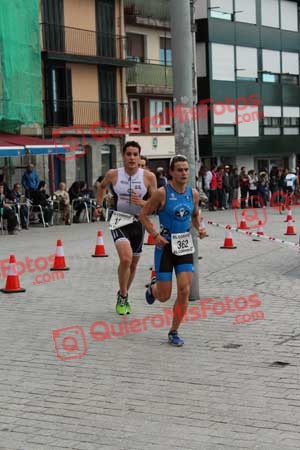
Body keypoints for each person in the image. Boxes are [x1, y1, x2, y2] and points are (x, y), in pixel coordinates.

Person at [139, 154, 206, 347]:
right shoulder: (162, 193)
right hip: (165, 245)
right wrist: (154, 235)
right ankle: (153, 289)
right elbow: (143, 214)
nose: (184, 173)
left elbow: (194, 216)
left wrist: (199, 227)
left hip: (184, 243)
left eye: (186, 169)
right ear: (171, 172)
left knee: (184, 290)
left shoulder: (193, 194)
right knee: (164, 296)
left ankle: (174, 331)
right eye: (180, 170)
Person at [95, 141, 157, 315]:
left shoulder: (148, 177)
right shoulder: (113, 174)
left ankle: (124, 293)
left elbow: (156, 202)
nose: (131, 158)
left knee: (134, 264)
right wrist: (99, 205)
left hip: (139, 222)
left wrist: (142, 202)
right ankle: (122, 295)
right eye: (128, 154)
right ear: (123, 156)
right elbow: (101, 187)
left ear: (139, 157)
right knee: (126, 259)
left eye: (135, 154)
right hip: (119, 220)